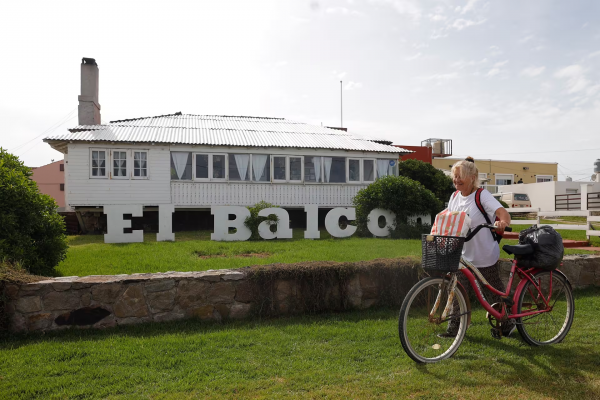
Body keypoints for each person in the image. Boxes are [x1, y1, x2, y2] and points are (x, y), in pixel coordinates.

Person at [442, 156, 515, 338]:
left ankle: (508, 323)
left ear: (472, 177)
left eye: (460, 176)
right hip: (462, 253)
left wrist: (503, 222)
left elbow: (502, 212)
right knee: (457, 289)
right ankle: (455, 328)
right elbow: (450, 218)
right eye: (454, 176)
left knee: (493, 295)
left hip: (483, 255)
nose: (456, 180)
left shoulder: (481, 195)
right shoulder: (454, 197)